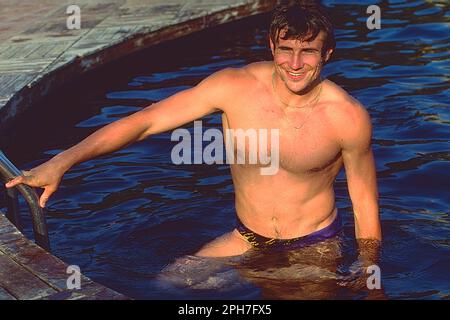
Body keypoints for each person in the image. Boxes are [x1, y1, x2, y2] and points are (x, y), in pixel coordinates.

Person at [5, 2, 381, 263]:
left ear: (327, 53)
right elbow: (145, 122)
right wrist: (63, 160)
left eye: (308, 51)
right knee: (170, 287)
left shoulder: (346, 117)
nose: (295, 64)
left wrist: (370, 279)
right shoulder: (233, 87)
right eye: (286, 49)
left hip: (312, 247)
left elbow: (365, 207)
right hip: (245, 237)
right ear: (271, 45)